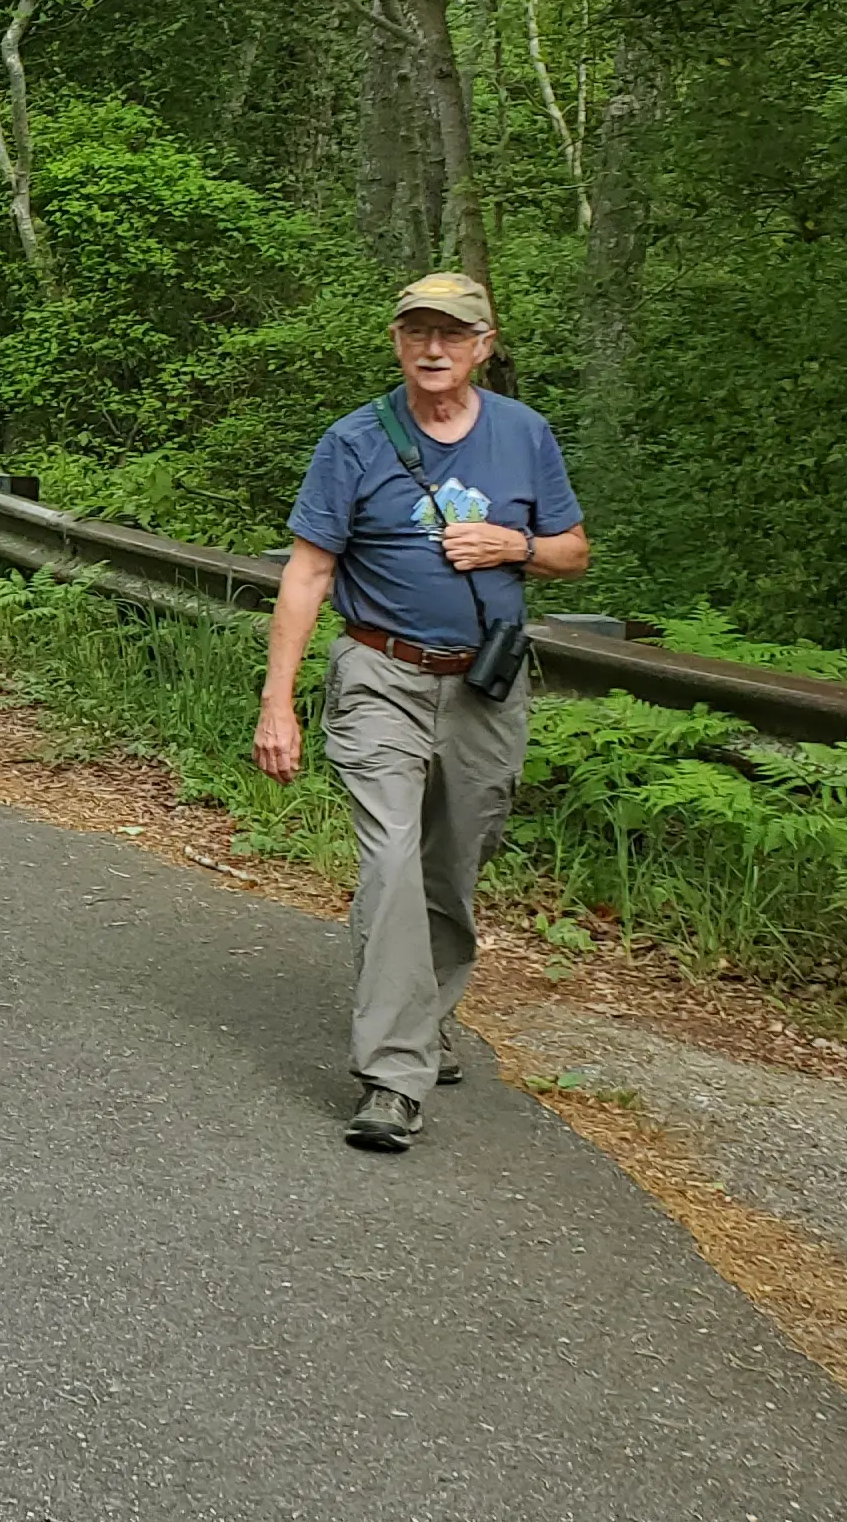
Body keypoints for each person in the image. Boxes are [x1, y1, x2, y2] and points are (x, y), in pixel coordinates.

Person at [253, 271, 591, 1154]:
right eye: (417, 333)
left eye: (453, 333)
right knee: (393, 865)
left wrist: (515, 545)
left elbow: (573, 550)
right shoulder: (356, 441)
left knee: (451, 867)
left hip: (483, 687)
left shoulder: (526, 436)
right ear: (397, 342)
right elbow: (308, 572)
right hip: (378, 675)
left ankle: (426, 1016)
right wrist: (276, 703)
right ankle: (392, 1075)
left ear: (484, 345)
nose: (433, 349)